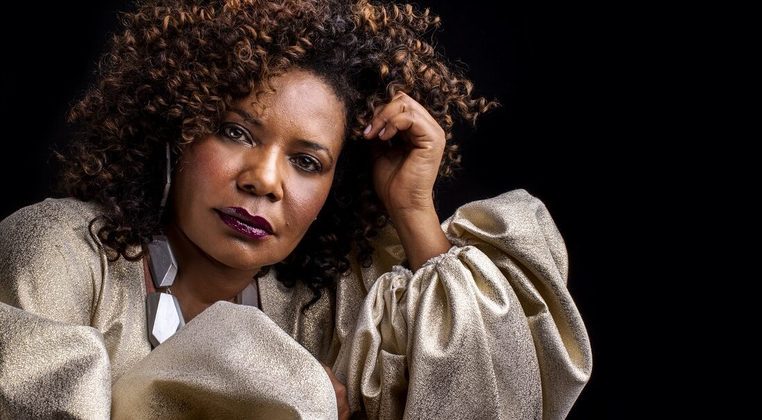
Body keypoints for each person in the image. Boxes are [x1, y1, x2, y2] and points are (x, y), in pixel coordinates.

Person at [0, 0, 592, 418]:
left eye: (307, 161)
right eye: (235, 132)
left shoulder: (333, 306)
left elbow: (493, 401)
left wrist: (412, 208)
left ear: (338, 184)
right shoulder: (60, 252)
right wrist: (285, 389)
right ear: (178, 126)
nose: (263, 180)